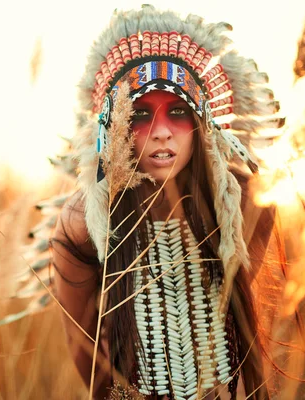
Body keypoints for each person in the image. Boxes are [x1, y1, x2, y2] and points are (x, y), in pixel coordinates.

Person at [51, 5, 285, 400]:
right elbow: (90, 361)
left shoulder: (247, 205)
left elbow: (241, 324)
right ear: (118, 127)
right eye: (141, 114)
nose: (161, 132)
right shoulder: (82, 223)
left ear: (201, 122)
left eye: (178, 111)